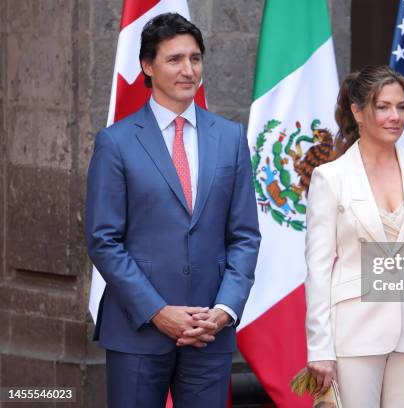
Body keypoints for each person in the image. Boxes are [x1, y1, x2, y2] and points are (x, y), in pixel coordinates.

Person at [85, 13, 260, 408]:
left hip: (208, 332)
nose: (188, 70)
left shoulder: (230, 138)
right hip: (138, 330)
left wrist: (224, 309)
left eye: (195, 59)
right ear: (148, 66)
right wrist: (158, 311)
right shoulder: (116, 143)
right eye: (175, 59)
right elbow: (103, 240)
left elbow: (245, 235)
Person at [304, 65, 404, 407]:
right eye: (383, 106)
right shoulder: (331, 177)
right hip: (353, 333)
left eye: (401, 107)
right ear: (358, 111)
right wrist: (320, 347)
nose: (395, 117)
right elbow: (318, 270)